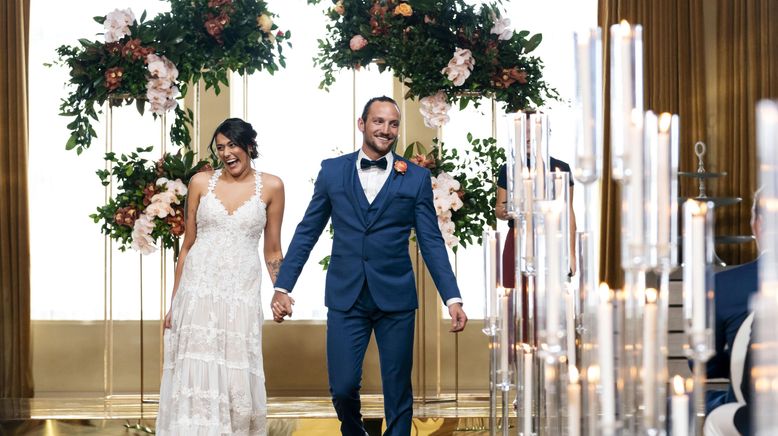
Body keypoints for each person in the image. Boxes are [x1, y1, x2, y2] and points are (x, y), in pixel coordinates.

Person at [271, 96, 468, 436]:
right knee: (344, 386)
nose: (386, 130)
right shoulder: (333, 171)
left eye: (393, 124)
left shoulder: (416, 177)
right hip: (347, 296)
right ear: (362, 124)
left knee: (398, 391)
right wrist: (282, 286)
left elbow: (431, 242)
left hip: (396, 298)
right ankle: (354, 430)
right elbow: (307, 231)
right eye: (379, 122)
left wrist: (452, 298)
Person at [156, 118, 286, 435]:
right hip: (197, 292)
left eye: (232, 145)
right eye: (221, 148)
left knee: (235, 375)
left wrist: (281, 290)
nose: (226, 153)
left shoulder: (272, 186)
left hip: (240, 294)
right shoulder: (201, 183)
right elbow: (187, 246)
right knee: (195, 371)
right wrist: (174, 304)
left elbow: (272, 250)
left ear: (249, 146)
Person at [702, 190, 762, 434]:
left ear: (758, 225)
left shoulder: (724, 285)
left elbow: (703, 365)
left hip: (748, 415)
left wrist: (744, 360)